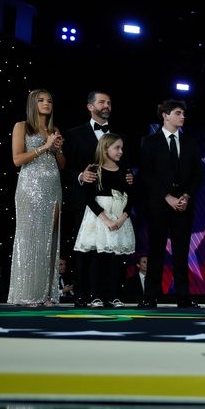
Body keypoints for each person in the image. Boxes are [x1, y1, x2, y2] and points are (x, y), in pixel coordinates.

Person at [62, 91, 135, 305]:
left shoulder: (120, 137)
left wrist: (130, 177)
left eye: (109, 102)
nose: (107, 105)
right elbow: (65, 169)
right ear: (90, 106)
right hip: (88, 204)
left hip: (117, 206)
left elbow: (126, 168)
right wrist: (80, 176)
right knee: (88, 253)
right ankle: (86, 295)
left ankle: (111, 295)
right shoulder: (74, 134)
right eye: (102, 102)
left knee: (113, 255)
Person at [140, 99, 203, 308]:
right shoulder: (149, 141)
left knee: (181, 252)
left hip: (183, 206)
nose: (182, 117)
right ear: (165, 115)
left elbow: (197, 175)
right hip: (159, 205)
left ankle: (183, 296)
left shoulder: (191, 142)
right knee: (156, 250)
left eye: (183, 113)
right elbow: (147, 175)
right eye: (178, 113)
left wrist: (185, 196)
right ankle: (150, 296)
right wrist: (167, 197)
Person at [7, 89, 65, 305]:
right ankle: (28, 294)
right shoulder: (22, 126)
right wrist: (44, 147)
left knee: (50, 239)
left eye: (49, 100)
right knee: (31, 239)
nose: (46, 103)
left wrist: (58, 150)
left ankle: (47, 294)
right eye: (41, 100)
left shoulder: (54, 129)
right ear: (33, 104)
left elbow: (61, 165)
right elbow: (17, 159)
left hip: (53, 187)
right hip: (30, 187)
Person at [72, 134, 135, 307]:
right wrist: (106, 220)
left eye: (122, 148)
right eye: (116, 148)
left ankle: (113, 295)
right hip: (100, 218)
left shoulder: (126, 171)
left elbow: (130, 197)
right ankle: (96, 296)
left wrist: (122, 218)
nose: (120, 151)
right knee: (99, 258)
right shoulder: (95, 170)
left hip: (119, 217)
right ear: (105, 148)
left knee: (116, 259)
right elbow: (89, 199)